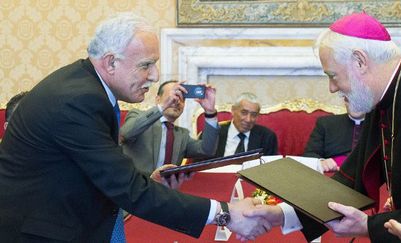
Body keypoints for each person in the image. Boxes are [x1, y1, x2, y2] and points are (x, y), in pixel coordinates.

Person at [0, 13, 271, 242]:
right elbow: (128, 190)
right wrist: (224, 213)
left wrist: (148, 180)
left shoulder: (87, 88)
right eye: (146, 65)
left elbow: (99, 169)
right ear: (111, 62)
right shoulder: (78, 100)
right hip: (42, 232)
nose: (154, 76)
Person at [243, 12, 401, 242]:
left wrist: (367, 227)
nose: (332, 88)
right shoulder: (382, 98)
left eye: (332, 76)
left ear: (360, 61)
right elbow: (349, 183)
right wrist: (280, 214)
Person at [120, 80, 219, 174]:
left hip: (166, 189)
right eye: (173, 96)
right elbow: (126, 133)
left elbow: (207, 150)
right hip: (134, 188)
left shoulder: (182, 135)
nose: (176, 101)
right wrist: (163, 106)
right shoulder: (138, 116)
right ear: (158, 99)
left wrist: (210, 113)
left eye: (181, 98)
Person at [204, 92, 278, 158]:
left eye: (254, 115)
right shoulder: (214, 133)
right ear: (233, 110)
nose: (248, 119)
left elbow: (270, 169)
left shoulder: (267, 137)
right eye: (244, 112)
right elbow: (199, 165)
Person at [303, 100, 365, 172]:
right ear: (345, 100)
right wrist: (321, 162)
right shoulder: (325, 123)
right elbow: (310, 154)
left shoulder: (378, 124)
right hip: (332, 177)